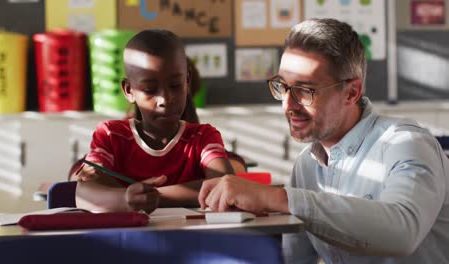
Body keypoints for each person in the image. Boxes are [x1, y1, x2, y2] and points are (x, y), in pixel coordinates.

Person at [198, 18, 449, 263]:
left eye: (305, 90)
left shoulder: (406, 143)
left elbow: (402, 232)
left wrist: (278, 198)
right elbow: (295, 258)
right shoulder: (307, 164)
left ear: (351, 92)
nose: (288, 104)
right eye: (282, 86)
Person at [75, 29, 234, 213]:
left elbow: (225, 185)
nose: (165, 99)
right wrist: (127, 199)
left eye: (175, 86)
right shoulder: (111, 135)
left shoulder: (202, 137)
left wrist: (155, 197)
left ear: (187, 81)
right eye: (150, 89)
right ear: (128, 90)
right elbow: (83, 193)